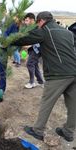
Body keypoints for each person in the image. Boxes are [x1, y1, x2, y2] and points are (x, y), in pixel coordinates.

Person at [7, 11, 76, 142]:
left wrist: (4, 39)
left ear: (41, 21)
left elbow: (24, 39)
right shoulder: (68, 32)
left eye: (38, 23)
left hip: (58, 74)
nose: (38, 26)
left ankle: (37, 130)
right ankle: (68, 132)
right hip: (74, 71)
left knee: (47, 101)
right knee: (73, 104)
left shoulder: (45, 30)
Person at [22, 13, 44, 89]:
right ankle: (41, 81)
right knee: (35, 65)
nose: (25, 22)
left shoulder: (37, 28)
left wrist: (29, 45)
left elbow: (38, 40)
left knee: (29, 64)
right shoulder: (30, 28)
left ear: (32, 20)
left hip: (37, 50)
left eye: (27, 20)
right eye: (25, 20)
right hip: (32, 49)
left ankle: (32, 82)